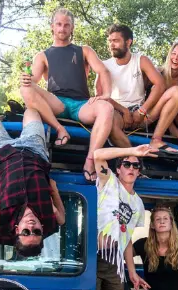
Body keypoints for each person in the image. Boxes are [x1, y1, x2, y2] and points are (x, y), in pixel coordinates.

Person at [19, 7, 115, 183]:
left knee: (107, 108)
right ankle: (60, 129)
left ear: (72, 28)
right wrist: (26, 77)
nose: (62, 28)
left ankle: (90, 160)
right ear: (52, 27)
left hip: (81, 105)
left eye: (66, 25)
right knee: (25, 87)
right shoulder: (42, 55)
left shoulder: (84, 50)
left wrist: (106, 94)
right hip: (57, 103)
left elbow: (103, 70)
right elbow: (33, 79)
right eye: (59, 24)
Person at [91, 144, 158, 290]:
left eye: (136, 165)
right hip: (94, 256)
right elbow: (98, 155)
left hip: (115, 263)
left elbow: (127, 239)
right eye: (127, 164)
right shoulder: (109, 183)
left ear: (140, 172)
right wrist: (134, 150)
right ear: (118, 169)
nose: (131, 168)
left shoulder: (138, 204)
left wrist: (131, 271)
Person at [0, 108, 66, 257]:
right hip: (34, 149)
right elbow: (62, 218)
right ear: (42, 229)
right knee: (32, 111)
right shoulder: (48, 212)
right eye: (36, 232)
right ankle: (16, 114)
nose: (31, 227)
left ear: (17, 230)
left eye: (26, 232)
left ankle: (3, 118)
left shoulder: (5, 214)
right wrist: (54, 192)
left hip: (0, 151)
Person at [97, 25, 178, 152]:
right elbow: (100, 96)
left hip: (142, 114)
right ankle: (134, 159)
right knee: (109, 120)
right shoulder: (104, 65)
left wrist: (142, 110)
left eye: (116, 41)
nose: (112, 44)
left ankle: (156, 139)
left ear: (128, 42)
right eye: (110, 41)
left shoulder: (141, 60)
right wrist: (124, 111)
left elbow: (160, 85)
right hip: (118, 112)